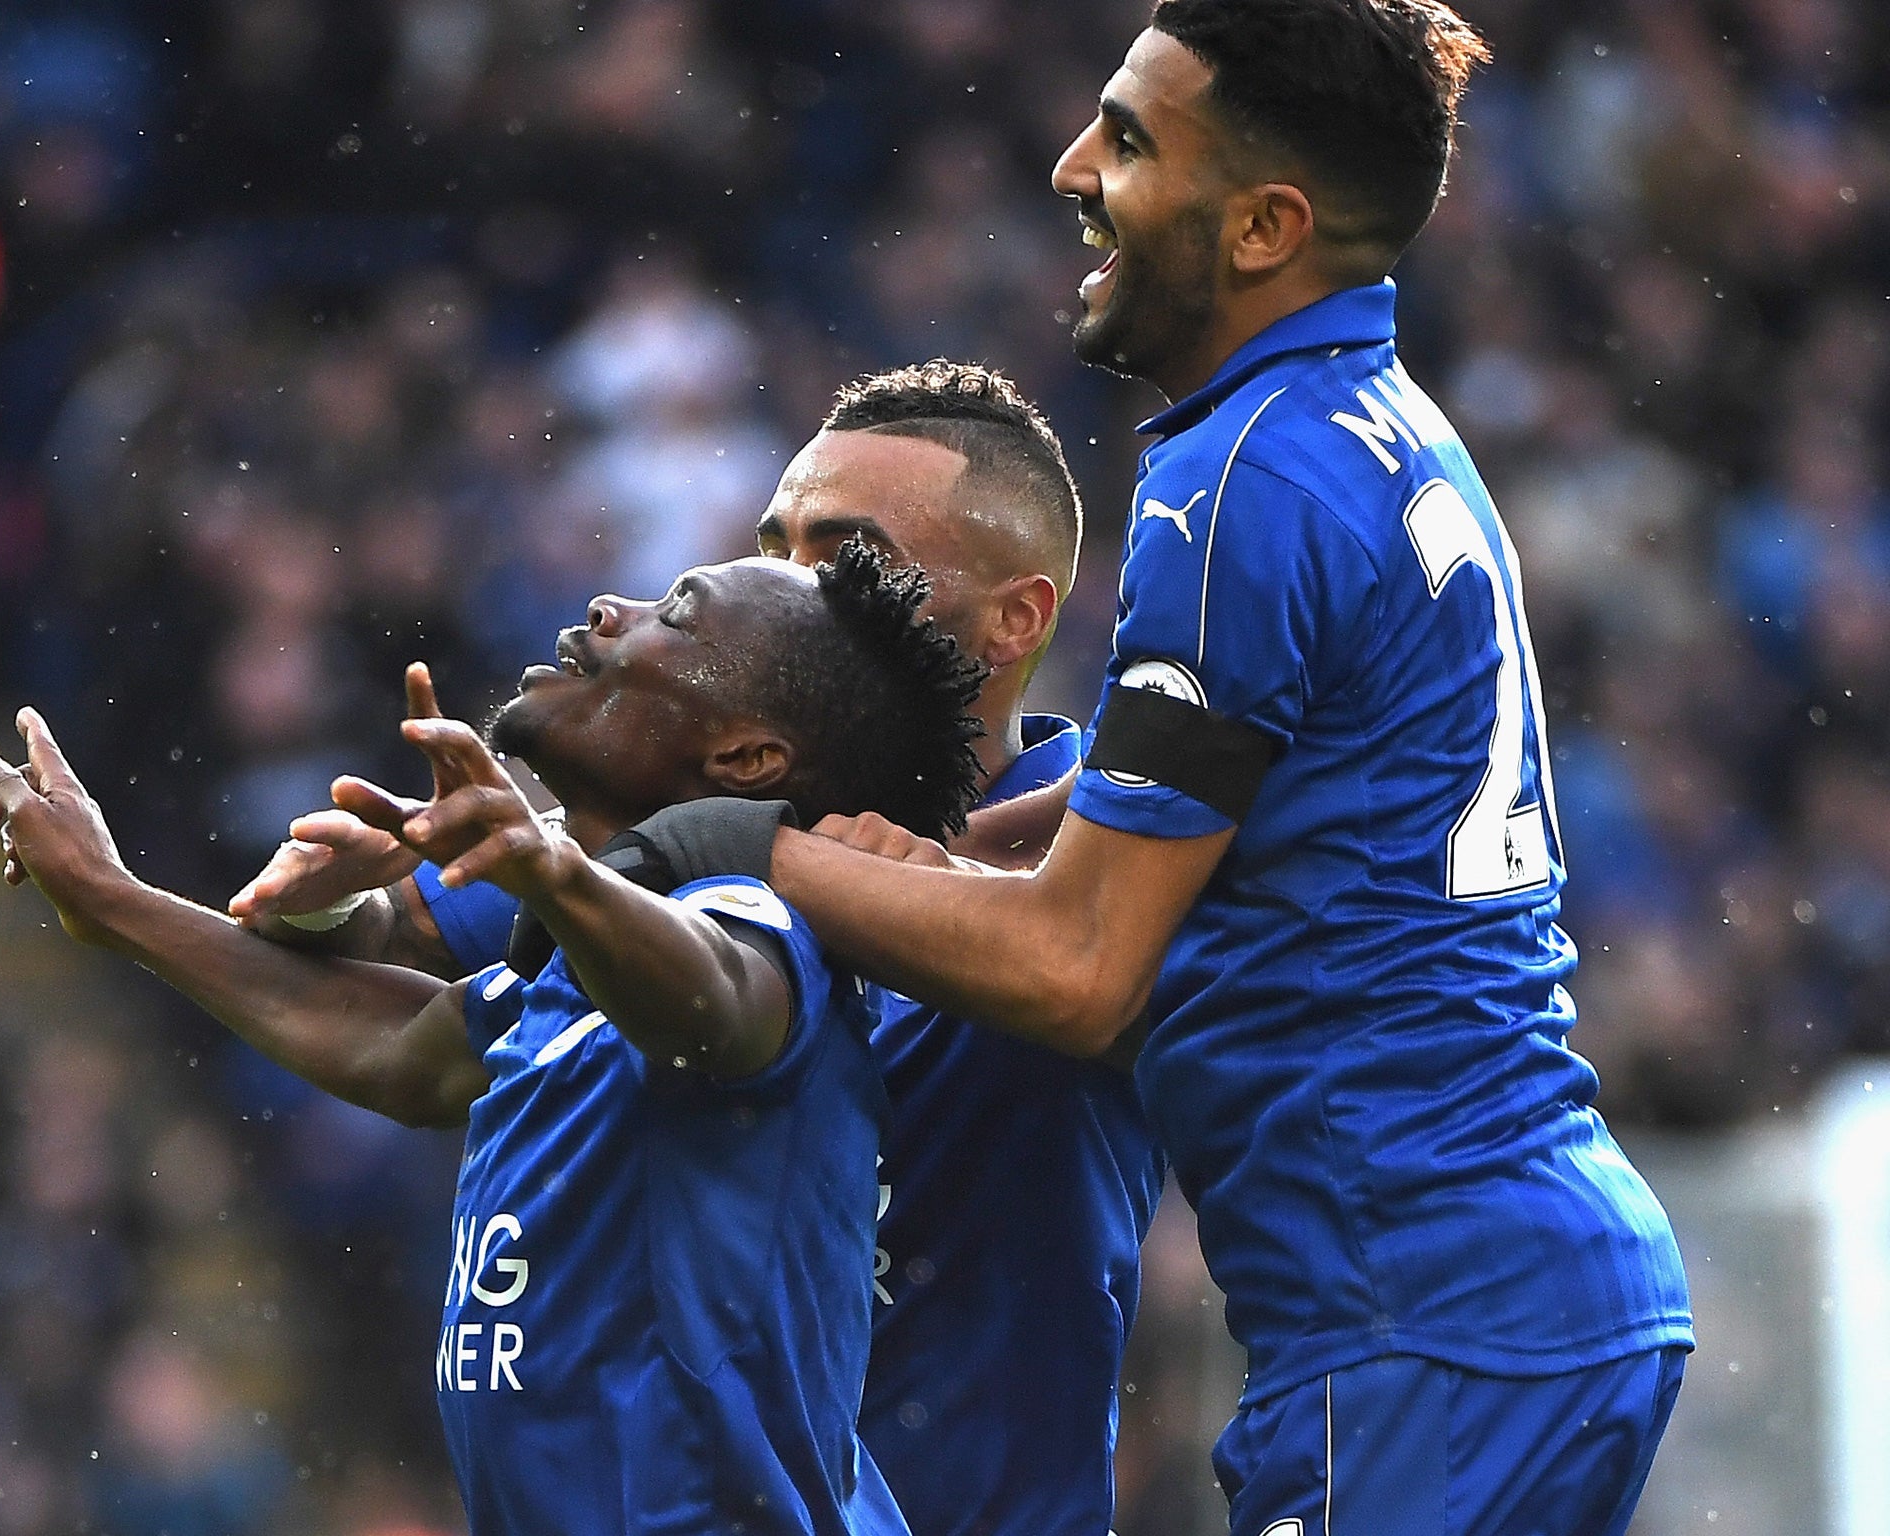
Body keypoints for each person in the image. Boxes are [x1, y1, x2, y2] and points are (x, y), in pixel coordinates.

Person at [666, 5, 1696, 1534]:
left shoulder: (1237, 483)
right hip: (1504, 1294)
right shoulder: (1370, 428)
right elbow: (1212, 836)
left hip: (1422, 1317)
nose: (1076, 165)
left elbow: (1082, 964)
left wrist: (735, 847)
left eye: (1133, 142)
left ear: (1268, 225)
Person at [234, 362, 1167, 1536]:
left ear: (1015, 617)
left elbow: (1120, 987)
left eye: (845, 552)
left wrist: (864, 866)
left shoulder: (1111, 868)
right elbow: (387, 939)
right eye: (773, 542)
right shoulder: (678, 844)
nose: (787, 580)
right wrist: (318, 896)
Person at [0, 543, 986, 1536]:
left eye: (675, 615)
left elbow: (717, 1002)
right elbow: (394, 1051)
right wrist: (113, 902)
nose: (608, 607)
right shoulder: (573, 970)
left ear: (744, 759)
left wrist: (549, 871)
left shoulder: (764, 925)